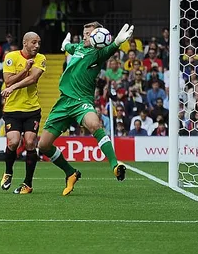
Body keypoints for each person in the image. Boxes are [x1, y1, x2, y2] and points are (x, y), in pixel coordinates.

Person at [38, 22, 133, 195]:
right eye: (84, 33)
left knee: (95, 124)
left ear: (98, 36)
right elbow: (70, 47)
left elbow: (109, 50)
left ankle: (114, 164)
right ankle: (70, 173)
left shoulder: (98, 53)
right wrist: (65, 44)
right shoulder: (80, 47)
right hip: (63, 101)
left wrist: (117, 42)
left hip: (81, 101)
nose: (85, 36)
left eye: (88, 34)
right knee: (43, 146)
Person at [0, 32, 45, 194]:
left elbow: (33, 79)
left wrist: (12, 87)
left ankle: (28, 183)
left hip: (32, 108)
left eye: (39, 43)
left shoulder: (41, 58)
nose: (37, 46)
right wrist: (25, 69)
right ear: (25, 43)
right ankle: (8, 172)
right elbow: (8, 80)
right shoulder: (11, 57)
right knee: (13, 142)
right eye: (33, 43)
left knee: (30, 142)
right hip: (12, 109)